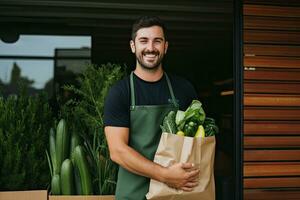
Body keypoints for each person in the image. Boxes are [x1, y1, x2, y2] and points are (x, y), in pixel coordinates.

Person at [104, 16, 200, 200]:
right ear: (133, 46)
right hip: (134, 194)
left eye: (157, 41)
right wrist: (165, 175)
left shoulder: (184, 89)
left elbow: (196, 142)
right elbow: (118, 151)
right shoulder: (120, 93)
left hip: (178, 193)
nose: (150, 48)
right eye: (143, 41)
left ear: (165, 46)